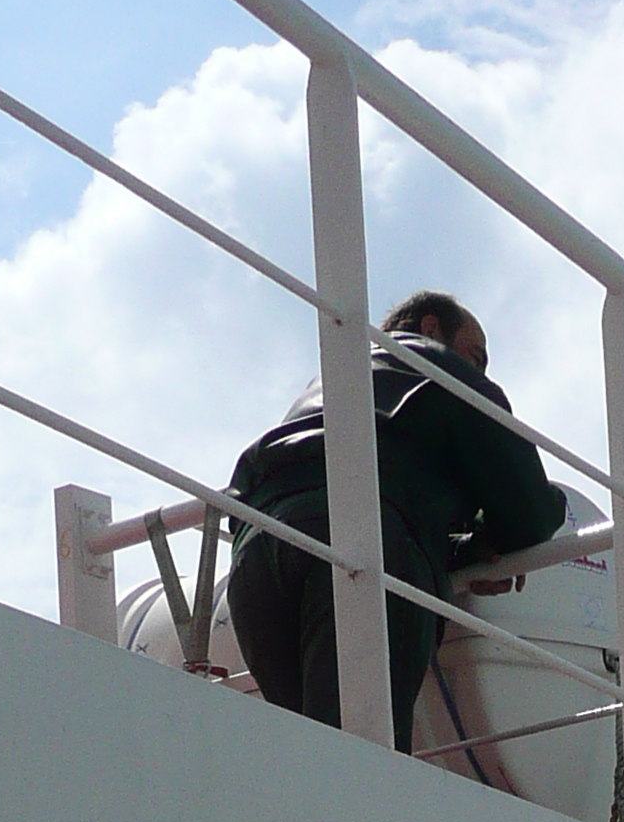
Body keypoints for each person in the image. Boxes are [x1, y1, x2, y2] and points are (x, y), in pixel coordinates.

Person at [225, 292, 567, 752]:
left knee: (306, 760)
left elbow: (377, 474)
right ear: (430, 328)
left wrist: (456, 550)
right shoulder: (437, 368)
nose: (481, 370)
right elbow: (529, 513)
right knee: (360, 766)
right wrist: (528, 519)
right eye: (475, 354)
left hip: (255, 555)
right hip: (359, 541)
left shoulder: (334, 381)